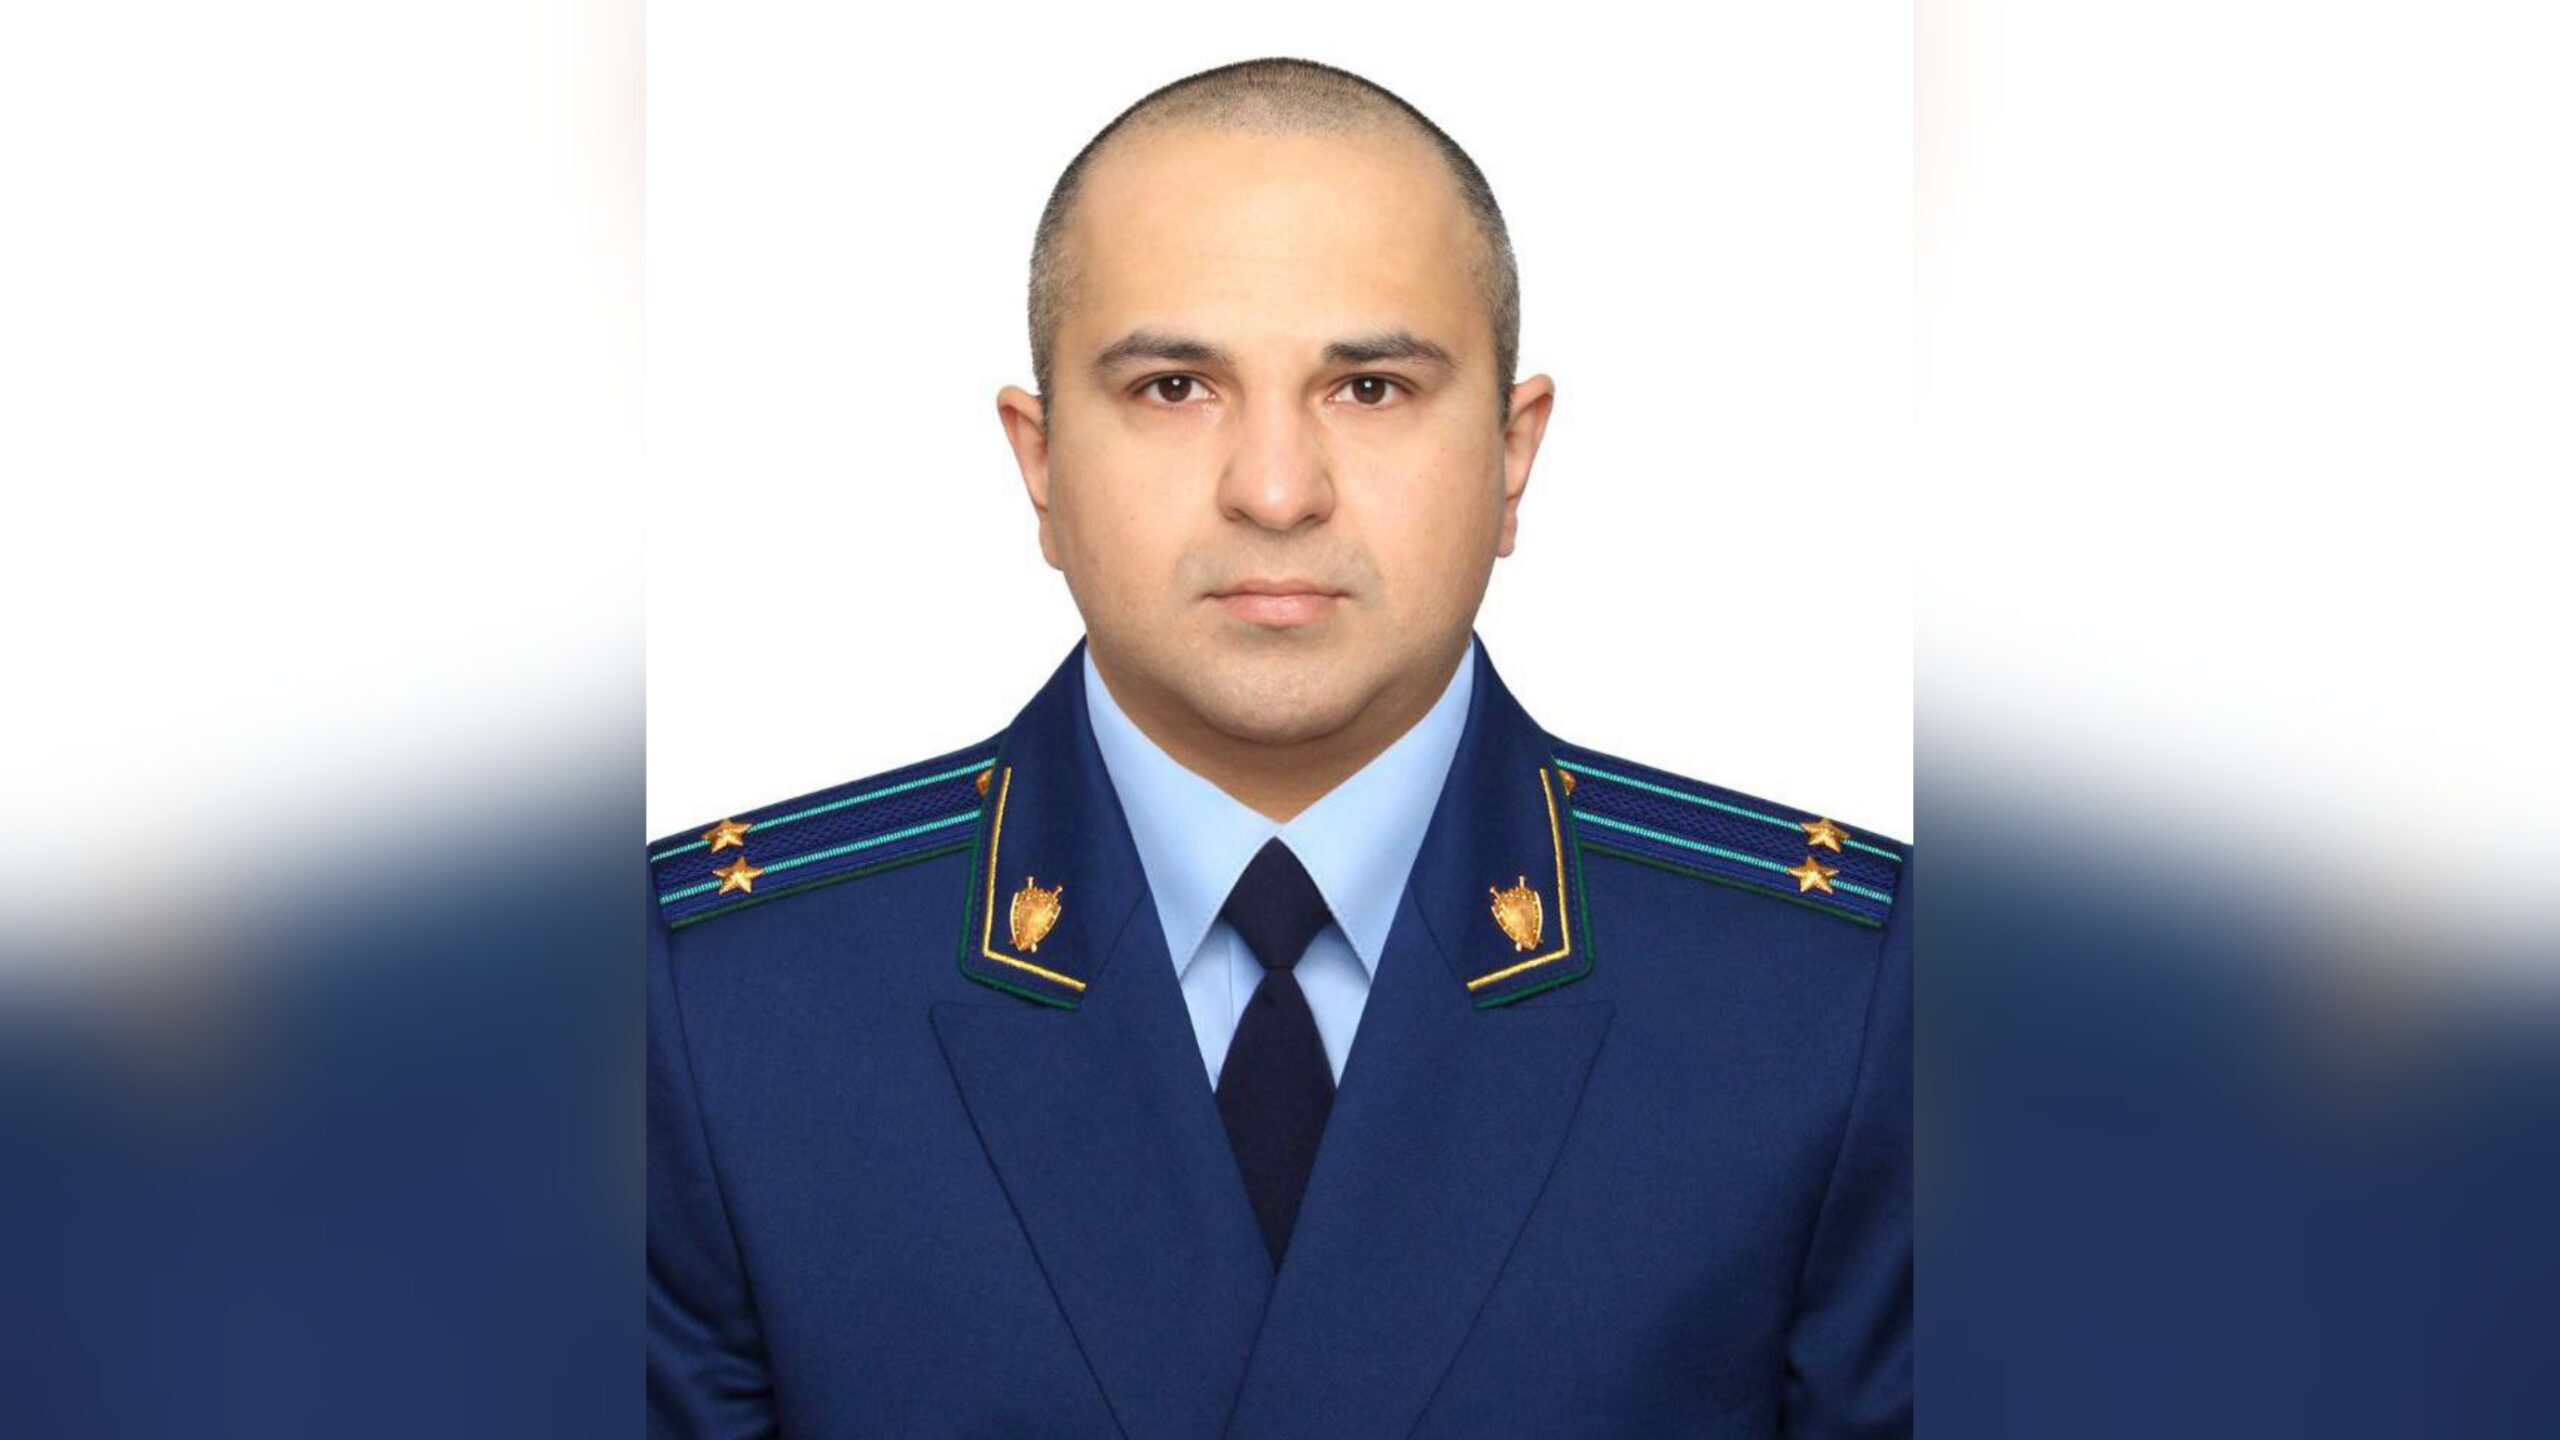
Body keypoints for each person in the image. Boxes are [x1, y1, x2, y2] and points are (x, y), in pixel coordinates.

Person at [647, 56, 1910, 1440]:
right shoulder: (711, 1007)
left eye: (1368, 388)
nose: (1274, 490)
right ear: (1041, 462)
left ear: (1511, 455)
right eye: (1174, 386)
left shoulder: (1841, 1002)